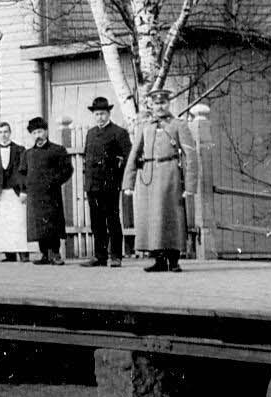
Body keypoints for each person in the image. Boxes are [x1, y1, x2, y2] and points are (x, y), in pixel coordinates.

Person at [126, 98, 194, 272]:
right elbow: (134, 153)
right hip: (148, 176)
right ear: (151, 105)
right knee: (153, 218)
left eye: (163, 102)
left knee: (172, 216)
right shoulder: (145, 126)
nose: (160, 106)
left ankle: (174, 261)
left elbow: (190, 155)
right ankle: (159, 260)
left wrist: (190, 185)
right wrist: (129, 183)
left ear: (168, 104)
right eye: (156, 103)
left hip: (170, 174)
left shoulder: (178, 125)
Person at [80, 96, 132, 267]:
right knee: (96, 222)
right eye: (97, 114)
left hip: (110, 184)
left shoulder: (119, 132)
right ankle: (100, 256)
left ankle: (116, 256)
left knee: (113, 220)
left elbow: (128, 158)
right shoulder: (91, 133)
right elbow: (87, 157)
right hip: (93, 185)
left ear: (109, 114)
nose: (100, 117)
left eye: (103, 114)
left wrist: (118, 176)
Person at [20, 116, 73, 265]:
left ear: (46, 132)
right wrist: (24, 189)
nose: (37, 135)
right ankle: (44, 254)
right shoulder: (28, 154)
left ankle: (55, 254)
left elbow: (67, 170)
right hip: (35, 195)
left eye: (40, 131)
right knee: (38, 226)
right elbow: (22, 173)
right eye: (34, 133)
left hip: (51, 194)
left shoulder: (57, 150)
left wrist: (54, 181)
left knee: (53, 223)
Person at [0, 122, 29, 261]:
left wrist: (24, 191)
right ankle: (10, 255)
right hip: (0, 194)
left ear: (10, 133)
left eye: (6, 132)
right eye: (0, 132)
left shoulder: (20, 150)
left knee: (19, 222)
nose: (3, 135)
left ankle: (23, 253)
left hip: (16, 193)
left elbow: (25, 173)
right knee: (4, 224)